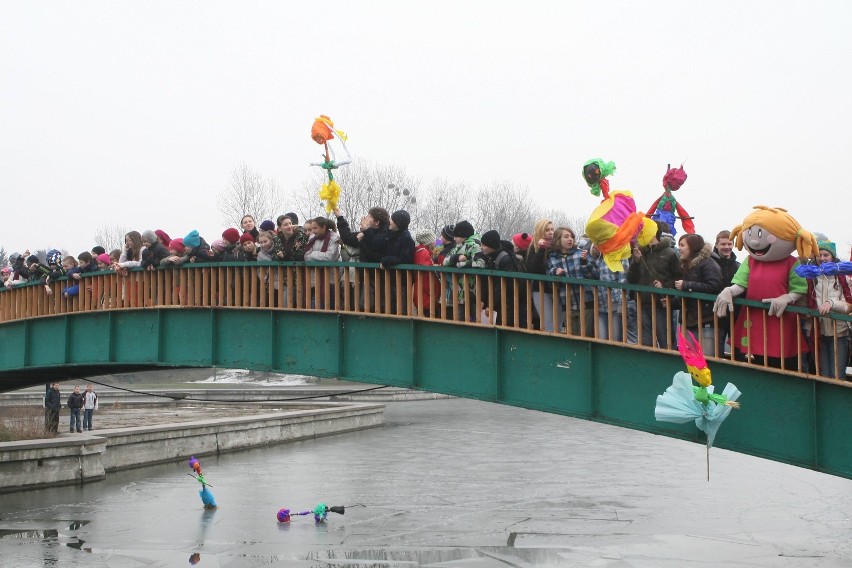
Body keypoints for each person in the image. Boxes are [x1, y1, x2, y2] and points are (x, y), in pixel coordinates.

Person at [627, 224, 681, 349]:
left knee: (666, 343)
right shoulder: (639, 252)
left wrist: (664, 285)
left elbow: (678, 278)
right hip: (642, 303)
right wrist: (636, 262)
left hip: (662, 304)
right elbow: (631, 279)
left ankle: (670, 367)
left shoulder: (670, 253)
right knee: (646, 344)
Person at [804, 241, 852, 379]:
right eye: (819, 255)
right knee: (823, 373)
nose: (823, 258)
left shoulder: (842, 277)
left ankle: (838, 401)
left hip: (839, 333)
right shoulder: (811, 277)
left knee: (837, 374)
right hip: (819, 331)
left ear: (832, 257)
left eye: (826, 255)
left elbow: (848, 306)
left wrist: (831, 303)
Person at [547, 227, 599, 336]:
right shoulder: (553, 258)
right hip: (567, 303)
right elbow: (548, 274)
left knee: (586, 337)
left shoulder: (581, 253)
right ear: (558, 240)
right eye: (566, 237)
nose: (570, 239)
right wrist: (555, 272)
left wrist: (584, 263)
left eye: (571, 237)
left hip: (586, 302)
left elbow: (595, 275)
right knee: (573, 338)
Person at [674, 234, 723, 337]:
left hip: (706, 319)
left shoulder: (708, 263)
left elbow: (715, 285)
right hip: (690, 319)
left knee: (707, 353)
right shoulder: (685, 265)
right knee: (688, 352)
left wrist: (686, 285)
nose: (679, 249)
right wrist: (672, 302)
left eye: (682, 245)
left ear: (692, 246)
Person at [478, 229, 526, 326]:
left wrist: (490, 305)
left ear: (492, 246)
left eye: (484, 245)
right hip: (498, 302)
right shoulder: (489, 257)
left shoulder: (505, 259)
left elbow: (502, 286)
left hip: (507, 303)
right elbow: (486, 282)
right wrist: (483, 300)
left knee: (505, 326)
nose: (481, 248)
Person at [442, 220, 484, 321]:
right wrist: (456, 257)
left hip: (473, 289)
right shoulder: (457, 247)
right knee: (459, 317)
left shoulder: (475, 246)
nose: (454, 238)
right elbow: (445, 262)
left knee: (475, 316)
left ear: (464, 236)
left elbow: (481, 263)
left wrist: (462, 264)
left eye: (456, 236)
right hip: (459, 290)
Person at [711, 230, 740, 357]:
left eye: (730, 244)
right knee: (716, 351)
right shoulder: (709, 264)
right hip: (715, 313)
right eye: (723, 244)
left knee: (738, 350)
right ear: (716, 245)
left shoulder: (738, 267)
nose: (727, 247)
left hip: (735, 314)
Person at [526, 219, 558, 331]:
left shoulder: (558, 247)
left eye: (552, 229)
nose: (551, 232)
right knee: (548, 325)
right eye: (547, 230)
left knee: (558, 325)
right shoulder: (534, 247)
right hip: (541, 290)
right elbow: (533, 269)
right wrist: (541, 250)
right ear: (540, 232)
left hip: (559, 290)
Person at [591, 245, 628, 341]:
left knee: (615, 337)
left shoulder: (620, 256)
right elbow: (592, 277)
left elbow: (623, 280)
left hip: (615, 303)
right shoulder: (597, 258)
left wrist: (621, 303)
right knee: (601, 337)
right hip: (600, 304)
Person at [304, 217, 342, 309]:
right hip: (315, 278)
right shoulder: (312, 238)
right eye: (312, 228)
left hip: (331, 279)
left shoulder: (334, 237)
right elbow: (306, 256)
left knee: (329, 305)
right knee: (314, 305)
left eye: (315, 228)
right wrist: (318, 256)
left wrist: (313, 254)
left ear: (323, 227)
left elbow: (330, 257)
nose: (313, 231)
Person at [412, 230, 439, 317]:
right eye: (434, 241)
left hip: (423, 294)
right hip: (426, 295)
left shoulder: (420, 251)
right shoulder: (423, 252)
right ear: (429, 242)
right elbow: (426, 268)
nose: (435, 243)